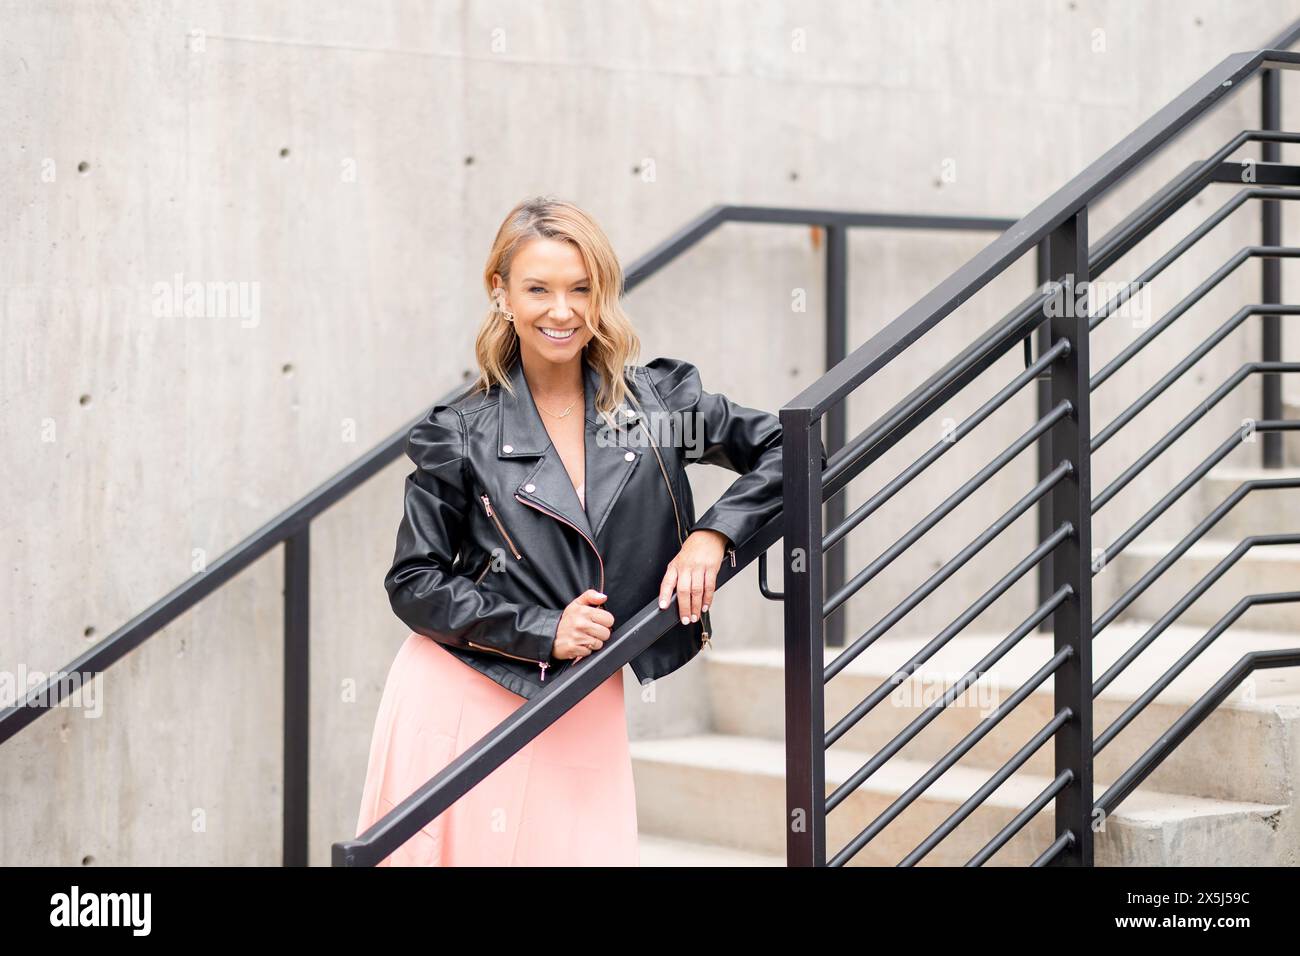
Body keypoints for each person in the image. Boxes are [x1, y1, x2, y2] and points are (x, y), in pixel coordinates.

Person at [353, 195, 813, 865]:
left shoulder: (661, 403)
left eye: (581, 288)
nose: (562, 311)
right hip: (465, 688)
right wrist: (543, 629)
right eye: (538, 288)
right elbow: (413, 581)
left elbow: (793, 449)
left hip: (586, 690)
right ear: (501, 293)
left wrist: (713, 535)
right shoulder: (459, 433)